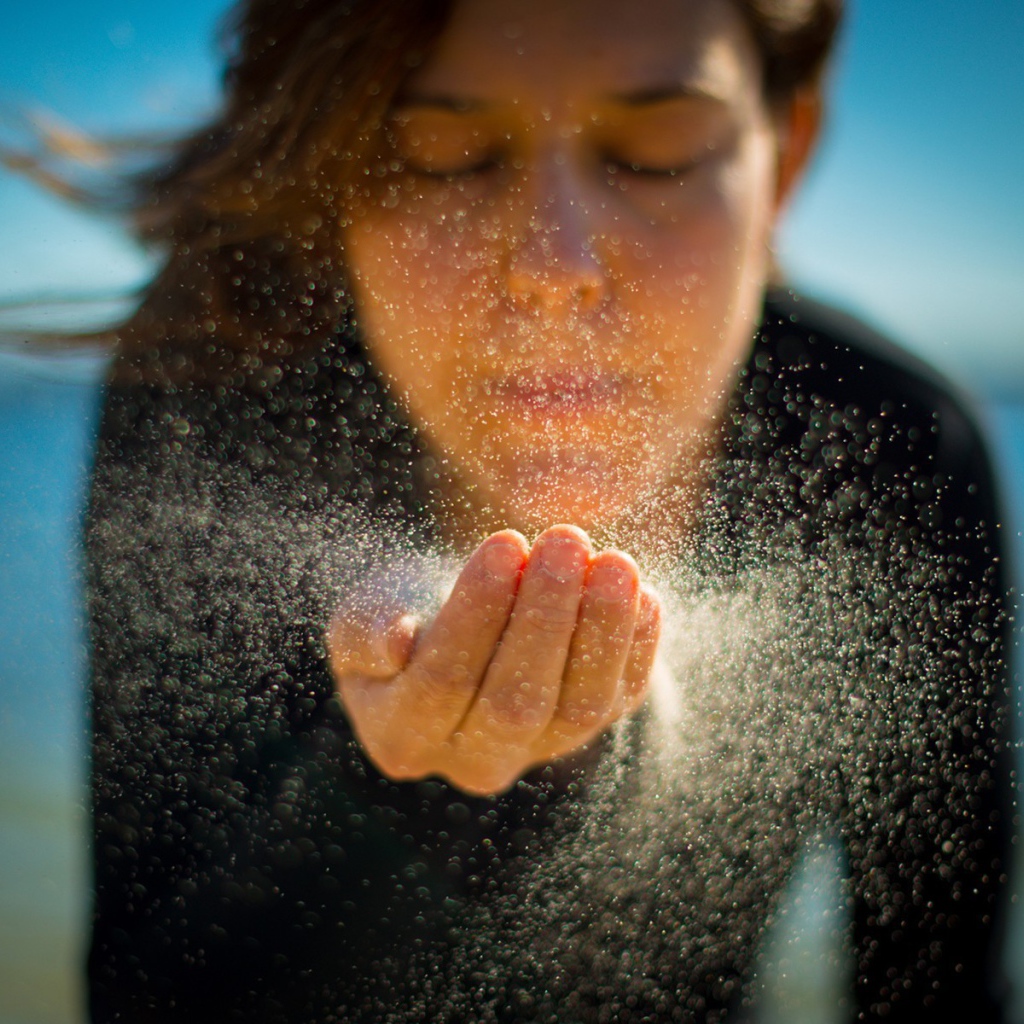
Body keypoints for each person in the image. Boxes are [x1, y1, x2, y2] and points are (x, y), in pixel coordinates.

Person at [82, 0, 1014, 1020]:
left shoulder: (882, 452)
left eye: (657, 153)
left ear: (782, 161)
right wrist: (390, 782)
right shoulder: (220, 390)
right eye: (443, 155)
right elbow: (140, 987)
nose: (553, 267)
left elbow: (934, 990)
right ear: (335, 178)